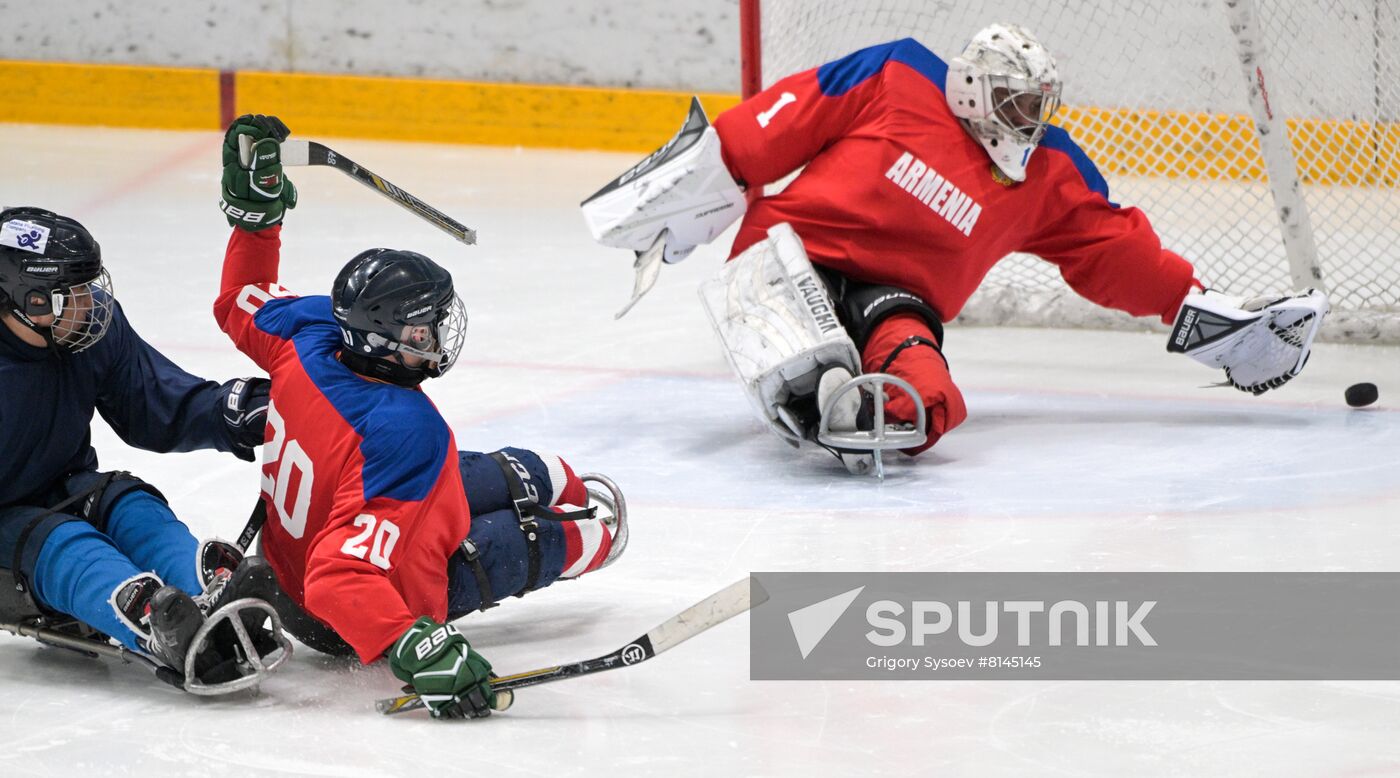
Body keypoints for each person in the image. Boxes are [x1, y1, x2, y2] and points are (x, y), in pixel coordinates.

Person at [582, 23, 1329, 475]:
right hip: (787, 256)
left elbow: (1113, 251)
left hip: (894, 301)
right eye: (1015, 101)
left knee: (928, 393)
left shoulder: (1047, 171)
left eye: (1038, 106)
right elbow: (775, 125)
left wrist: (1197, 313)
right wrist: (696, 185)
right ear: (970, 86)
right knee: (797, 343)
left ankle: (857, 410)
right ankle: (819, 391)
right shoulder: (897, 74)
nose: (1027, 119)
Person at [214, 114, 628, 719]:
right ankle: (594, 539)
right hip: (347, 613)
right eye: (422, 329)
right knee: (571, 537)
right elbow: (337, 580)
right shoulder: (408, 429)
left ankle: (552, 503)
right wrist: (412, 643)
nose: (437, 335)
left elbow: (238, 299)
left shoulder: (309, 331)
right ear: (382, 338)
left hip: (302, 546)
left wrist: (258, 218)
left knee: (539, 472)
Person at [0, 206, 284, 692]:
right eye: (74, 295)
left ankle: (208, 592)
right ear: (29, 301)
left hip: (67, 485)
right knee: (68, 546)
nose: (91, 305)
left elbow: (153, 403)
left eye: (91, 287)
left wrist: (235, 412)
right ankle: (152, 622)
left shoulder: (91, 333)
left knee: (131, 503)